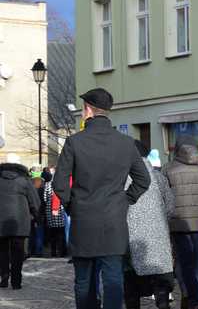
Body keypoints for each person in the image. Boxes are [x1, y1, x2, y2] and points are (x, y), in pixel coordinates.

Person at [53, 88, 151, 309]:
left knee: (84, 279)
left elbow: (59, 184)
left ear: (87, 109)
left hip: (84, 218)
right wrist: (125, 201)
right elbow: (143, 179)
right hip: (113, 219)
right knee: (113, 277)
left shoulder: (74, 142)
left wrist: (73, 206)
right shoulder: (125, 143)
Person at [163, 135, 198, 309]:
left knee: (183, 263)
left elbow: (162, 194)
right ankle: (197, 295)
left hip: (178, 223)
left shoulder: (168, 169)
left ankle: (190, 296)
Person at [124, 141, 175, 309]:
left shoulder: (122, 179)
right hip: (159, 240)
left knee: (132, 289)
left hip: (132, 240)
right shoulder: (159, 178)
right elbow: (170, 208)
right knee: (161, 287)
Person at [0, 153, 40, 289]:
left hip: (1, 220)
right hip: (20, 221)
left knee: (2, 250)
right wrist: (37, 215)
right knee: (18, 251)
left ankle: (4, 277)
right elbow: (34, 200)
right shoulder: (24, 179)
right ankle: (16, 281)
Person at [44, 167, 68, 258]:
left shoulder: (47, 184)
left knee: (52, 233)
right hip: (60, 210)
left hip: (50, 211)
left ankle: (53, 252)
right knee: (61, 233)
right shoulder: (63, 184)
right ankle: (61, 252)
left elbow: (45, 199)